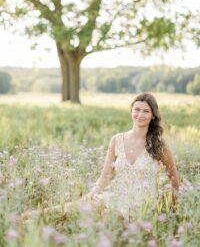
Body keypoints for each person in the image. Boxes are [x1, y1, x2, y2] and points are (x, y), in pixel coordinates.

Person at [23, 93, 180, 220]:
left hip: (142, 204)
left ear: (153, 116)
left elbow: (174, 179)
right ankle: (28, 217)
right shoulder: (117, 140)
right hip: (116, 195)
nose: (140, 115)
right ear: (131, 110)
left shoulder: (159, 146)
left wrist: (173, 210)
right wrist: (93, 193)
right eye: (137, 109)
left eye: (146, 111)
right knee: (78, 206)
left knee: (102, 217)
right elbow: (105, 175)